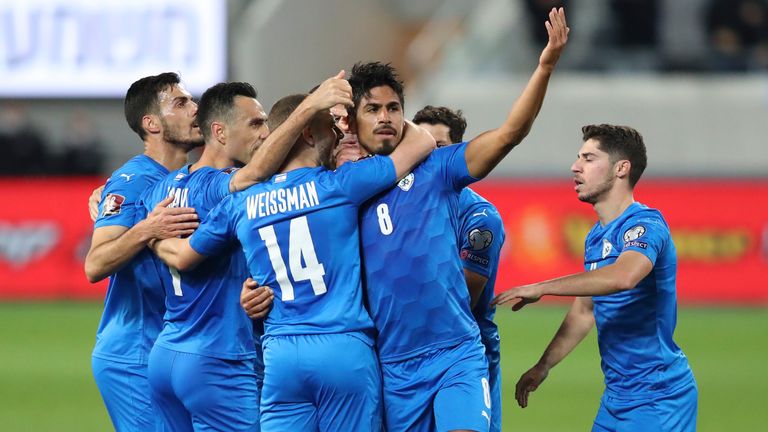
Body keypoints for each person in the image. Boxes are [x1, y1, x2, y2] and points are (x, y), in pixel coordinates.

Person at [151, 93, 436, 431]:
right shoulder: (341, 185)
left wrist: (152, 237)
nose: (339, 136)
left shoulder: (241, 202)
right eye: (332, 128)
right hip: (341, 347)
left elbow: (182, 256)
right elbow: (423, 140)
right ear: (309, 134)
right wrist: (374, 119)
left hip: (281, 358)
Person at [345, 8, 568, 431]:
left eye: (394, 107)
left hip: (455, 353)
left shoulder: (440, 169)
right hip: (392, 364)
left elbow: (508, 135)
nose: (385, 117)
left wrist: (544, 67)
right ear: (353, 119)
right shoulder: (343, 187)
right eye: (372, 109)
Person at [140, 76, 350, 431]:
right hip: (218, 358)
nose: (266, 133)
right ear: (220, 132)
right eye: (256, 123)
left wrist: (147, 234)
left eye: (267, 122)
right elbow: (254, 175)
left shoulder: (160, 189)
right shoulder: (219, 187)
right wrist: (309, 108)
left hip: (166, 353)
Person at [492, 124, 698, 431]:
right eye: (578, 158)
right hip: (617, 398)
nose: (575, 167)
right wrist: (543, 366)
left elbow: (624, 276)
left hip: (658, 397)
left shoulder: (646, 224)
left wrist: (543, 287)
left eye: (588, 158)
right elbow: (584, 311)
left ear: (621, 169)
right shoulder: (595, 237)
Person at [84, 72, 204, 431]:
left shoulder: (187, 179)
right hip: (133, 353)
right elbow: (95, 263)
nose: (195, 109)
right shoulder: (133, 180)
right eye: (181, 103)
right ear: (151, 123)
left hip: (169, 351)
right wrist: (147, 229)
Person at [413, 105, 505, 432]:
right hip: (407, 355)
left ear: (457, 154)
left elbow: (463, 294)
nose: (427, 156)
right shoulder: (397, 203)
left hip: (464, 354)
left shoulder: (480, 218)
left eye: (438, 148)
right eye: (419, 144)